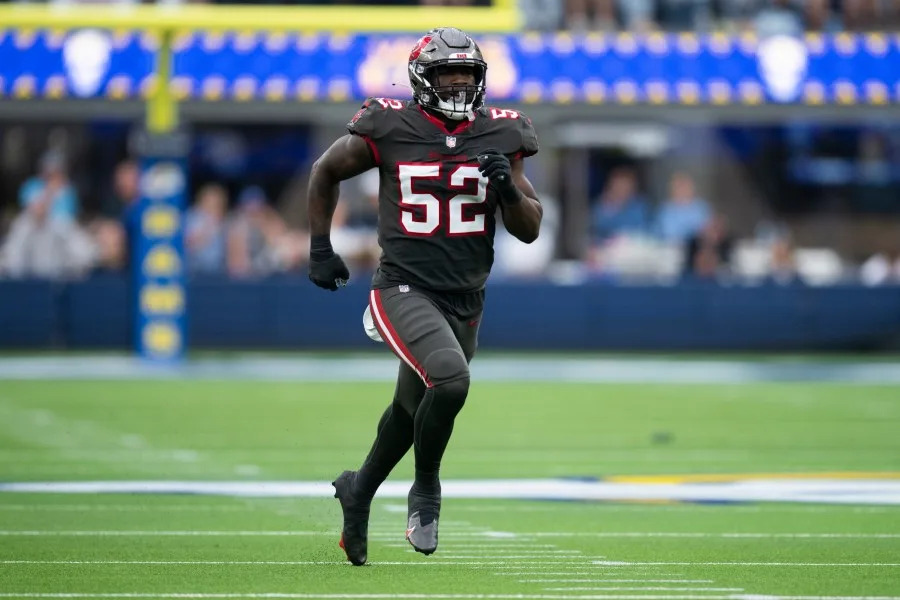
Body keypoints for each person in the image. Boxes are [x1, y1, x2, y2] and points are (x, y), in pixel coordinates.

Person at [305, 26, 542, 566]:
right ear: (422, 78)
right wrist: (321, 246)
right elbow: (326, 170)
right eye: (447, 74)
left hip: (467, 297)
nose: (458, 84)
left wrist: (507, 188)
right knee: (452, 380)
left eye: (467, 74)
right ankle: (426, 491)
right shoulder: (389, 125)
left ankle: (358, 490)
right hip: (403, 288)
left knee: (412, 408)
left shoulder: (504, 133)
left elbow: (529, 228)